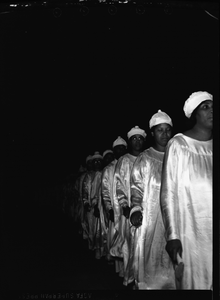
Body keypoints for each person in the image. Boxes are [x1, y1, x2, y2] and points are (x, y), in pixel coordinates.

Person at [160, 91, 213, 289]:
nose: (212, 111)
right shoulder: (179, 145)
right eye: (205, 107)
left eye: (214, 106)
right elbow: (168, 192)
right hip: (191, 233)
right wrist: (172, 235)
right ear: (194, 114)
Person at [130, 110, 176, 290]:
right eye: (159, 130)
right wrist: (135, 209)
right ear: (152, 133)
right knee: (150, 255)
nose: (164, 134)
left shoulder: (177, 155)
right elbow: (136, 187)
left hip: (173, 217)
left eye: (168, 130)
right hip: (150, 217)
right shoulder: (145, 158)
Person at [111, 126, 146, 287]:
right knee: (130, 246)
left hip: (148, 210)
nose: (137, 141)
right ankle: (130, 279)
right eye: (134, 138)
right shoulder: (124, 161)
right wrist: (125, 206)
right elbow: (118, 186)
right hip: (130, 212)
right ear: (130, 141)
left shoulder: (147, 157)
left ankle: (144, 279)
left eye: (140, 138)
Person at [101, 137, 127, 273]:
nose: (121, 151)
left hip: (130, 210)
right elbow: (105, 192)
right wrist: (109, 209)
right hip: (116, 211)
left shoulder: (132, 163)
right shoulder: (109, 169)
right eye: (118, 149)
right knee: (117, 238)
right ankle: (120, 270)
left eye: (123, 148)